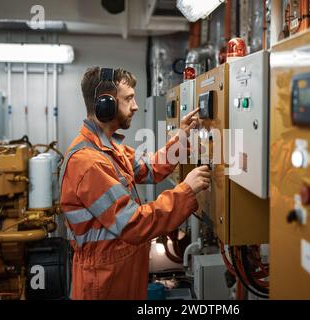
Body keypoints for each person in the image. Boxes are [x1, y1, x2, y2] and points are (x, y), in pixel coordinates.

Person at [59, 66, 210, 300]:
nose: (135, 106)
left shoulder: (109, 149)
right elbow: (134, 224)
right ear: (105, 105)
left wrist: (182, 137)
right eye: (128, 99)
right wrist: (186, 191)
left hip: (121, 272)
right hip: (104, 282)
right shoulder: (89, 163)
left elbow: (149, 168)